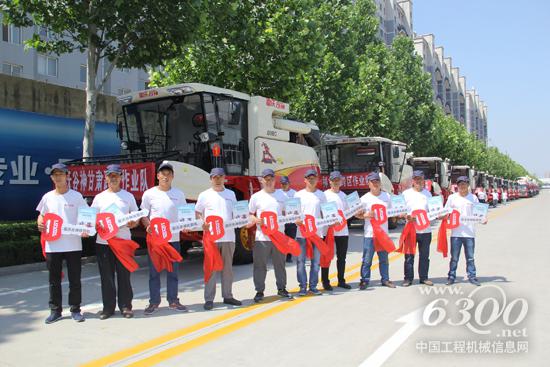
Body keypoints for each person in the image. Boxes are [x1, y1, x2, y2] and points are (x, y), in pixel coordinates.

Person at [36, 163, 88, 324]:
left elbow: (87, 216)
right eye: (55, 175)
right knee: (54, 280)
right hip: (53, 245)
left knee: (75, 279)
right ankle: (55, 310)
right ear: (52, 177)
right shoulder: (47, 197)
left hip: (73, 245)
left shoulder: (76, 196)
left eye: (61, 174)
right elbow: (42, 215)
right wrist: (40, 223)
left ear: (67, 176)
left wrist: (86, 228)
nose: (58, 177)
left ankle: (75, 309)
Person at [91, 164, 139, 319]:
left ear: (121, 177)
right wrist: (95, 224)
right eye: (110, 175)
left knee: (124, 276)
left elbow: (135, 216)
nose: (113, 178)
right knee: (107, 276)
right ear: (105, 178)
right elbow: (92, 218)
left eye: (116, 175)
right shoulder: (99, 198)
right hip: (104, 243)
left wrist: (134, 222)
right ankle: (108, 308)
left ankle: (126, 306)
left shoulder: (128, 196)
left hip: (123, 241)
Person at [141, 162, 187, 315]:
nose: (165, 176)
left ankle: (173, 300)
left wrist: (187, 224)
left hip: (173, 240)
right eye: (163, 173)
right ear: (157, 176)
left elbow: (184, 215)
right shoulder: (149, 194)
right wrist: (147, 225)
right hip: (155, 240)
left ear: (172, 176)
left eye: (169, 174)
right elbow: (144, 215)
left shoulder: (179, 194)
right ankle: (154, 302)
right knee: (154, 273)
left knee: (173, 272)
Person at [195, 167, 242, 310]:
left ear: (224, 178)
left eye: (220, 176)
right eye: (214, 177)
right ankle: (209, 299)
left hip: (228, 237)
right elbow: (198, 212)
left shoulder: (231, 194)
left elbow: (237, 212)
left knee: (227, 268)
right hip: (211, 238)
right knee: (210, 268)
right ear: (210, 179)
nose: (217, 179)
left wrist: (242, 218)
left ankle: (227, 296)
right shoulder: (204, 195)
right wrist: (201, 222)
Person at [248, 169, 293, 303]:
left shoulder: (282, 196)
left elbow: (289, 212)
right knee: (260, 265)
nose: (268, 181)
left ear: (274, 180)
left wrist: (292, 217)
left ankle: (282, 288)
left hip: (279, 236)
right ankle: (259, 291)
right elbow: (249, 214)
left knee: (280, 264)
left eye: (271, 179)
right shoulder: (256, 197)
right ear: (261, 180)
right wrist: (256, 220)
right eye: (266, 179)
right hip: (262, 237)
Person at [445, 176, 487, 286]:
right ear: (457, 186)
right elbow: (446, 212)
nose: (462, 186)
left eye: (464, 184)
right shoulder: (452, 198)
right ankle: (451, 276)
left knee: (470, 258)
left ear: (468, 185)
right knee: (454, 258)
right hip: (456, 233)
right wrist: (442, 216)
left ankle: (472, 276)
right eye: (460, 184)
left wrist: (483, 219)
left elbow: (479, 214)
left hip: (469, 233)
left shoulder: (473, 198)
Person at [358, 172, 396, 290]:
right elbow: (357, 214)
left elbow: (393, 211)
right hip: (370, 234)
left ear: (380, 183)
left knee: (384, 259)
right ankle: (364, 280)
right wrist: (366, 215)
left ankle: (385, 279)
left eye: (377, 182)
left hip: (383, 234)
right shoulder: (364, 199)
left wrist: (399, 214)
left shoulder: (387, 197)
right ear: (368, 184)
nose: (375, 184)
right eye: (372, 182)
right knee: (367, 259)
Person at [294, 169, 327, 296]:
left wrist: (332, 219)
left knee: (316, 261)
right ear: (304, 180)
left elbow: (326, 213)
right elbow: (293, 213)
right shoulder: (298, 195)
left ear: (317, 179)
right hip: (301, 233)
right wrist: (295, 219)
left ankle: (313, 286)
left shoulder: (321, 195)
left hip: (317, 234)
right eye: (309, 178)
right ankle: (302, 287)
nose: (311, 180)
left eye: (313, 178)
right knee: (300, 261)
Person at [402, 170, 434, 287]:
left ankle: (424, 277)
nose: (418, 181)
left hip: (426, 230)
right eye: (416, 179)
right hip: (411, 229)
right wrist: (406, 216)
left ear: (423, 180)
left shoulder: (428, 194)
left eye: (420, 179)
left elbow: (433, 212)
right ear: (412, 181)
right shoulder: (406, 194)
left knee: (424, 256)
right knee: (409, 255)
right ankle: (408, 278)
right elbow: (400, 211)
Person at [321, 171, 351, 291]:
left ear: (341, 181)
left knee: (342, 257)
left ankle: (341, 280)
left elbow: (349, 212)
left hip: (343, 231)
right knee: (326, 256)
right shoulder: (324, 195)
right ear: (330, 181)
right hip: (328, 230)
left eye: (338, 180)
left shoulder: (344, 195)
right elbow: (322, 212)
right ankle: (325, 281)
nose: (336, 182)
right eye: (334, 180)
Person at [281, 176, 297, 263]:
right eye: (282, 184)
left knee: (290, 239)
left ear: (289, 184)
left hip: (291, 220)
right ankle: (282, 255)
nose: (284, 185)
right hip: (281, 221)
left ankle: (289, 256)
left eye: (285, 183)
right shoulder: (278, 193)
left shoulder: (294, 193)